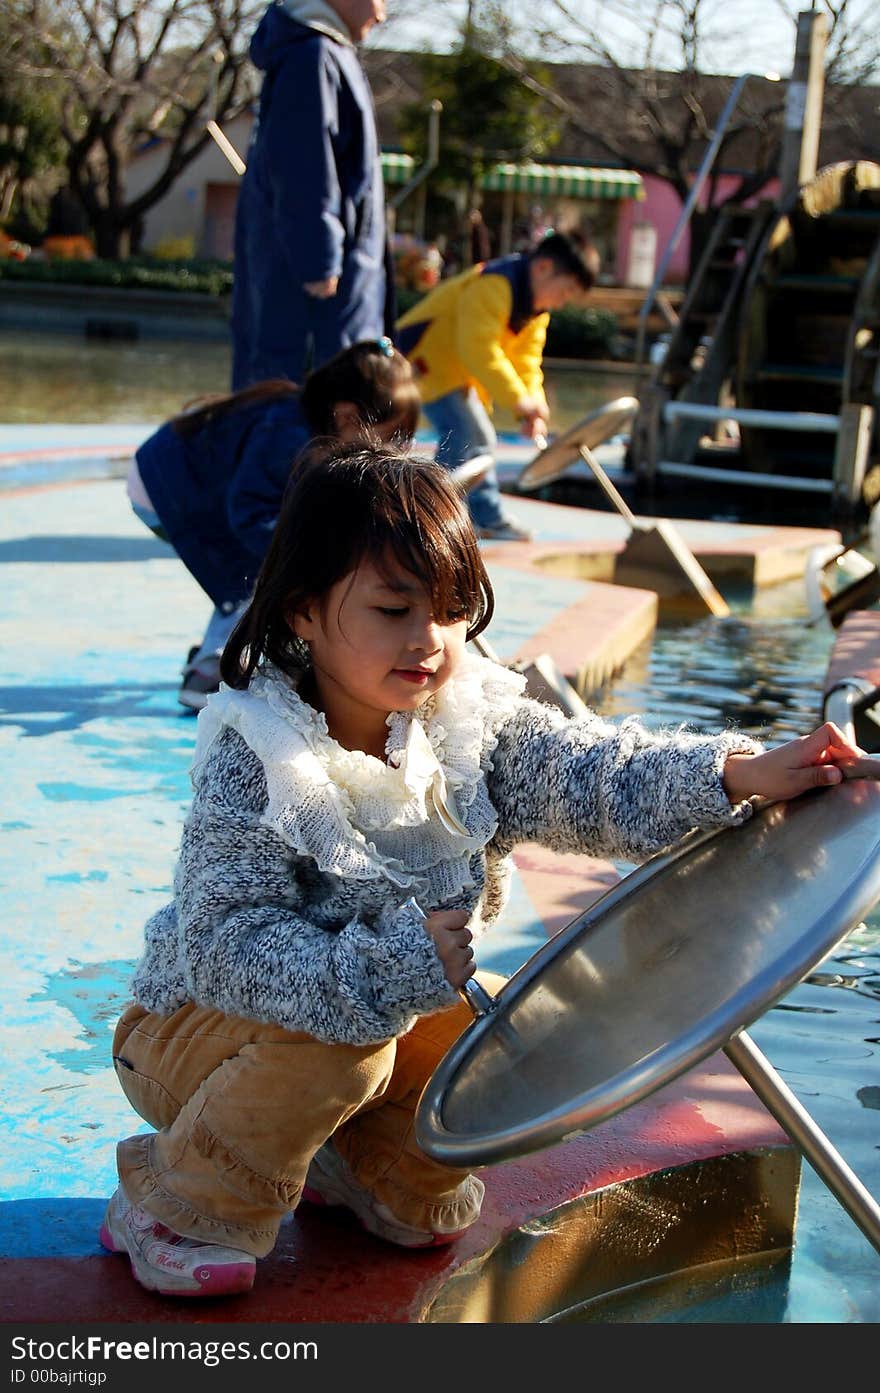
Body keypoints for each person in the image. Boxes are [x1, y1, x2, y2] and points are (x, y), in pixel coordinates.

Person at [99, 441, 866, 1299]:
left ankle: (368, 1170)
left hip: (365, 1019)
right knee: (345, 1052)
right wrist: (394, 966)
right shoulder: (262, 751)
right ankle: (175, 1199)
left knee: (499, 1044)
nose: (429, 640)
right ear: (304, 610)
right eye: (393, 608)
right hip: (189, 1032)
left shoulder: (467, 726)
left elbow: (595, 774)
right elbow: (225, 944)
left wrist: (738, 773)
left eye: (451, 609)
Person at [127, 338, 419, 712]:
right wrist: (301, 554)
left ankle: (225, 650)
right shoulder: (287, 437)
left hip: (193, 483)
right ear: (348, 418)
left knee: (274, 561)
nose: (389, 451)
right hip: (167, 490)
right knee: (253, 575)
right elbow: (249, 513)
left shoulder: (308, 421)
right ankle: (209, 669)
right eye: (387, 438)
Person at [395, 228, 600, 542]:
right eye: (566, 290)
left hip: (454, 374)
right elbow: (478, 349)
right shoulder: (494, 285)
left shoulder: (535, 310)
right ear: (544, 268)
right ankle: (432, 517)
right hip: (422, 364)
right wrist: (519, 401)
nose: (563, 302)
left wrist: (533, 405)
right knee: (467, 435)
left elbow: (527, 360)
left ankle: (463, 516)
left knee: (475, 437)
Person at [231, 0, 389, 390]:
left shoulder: (321, 53)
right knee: (306, 414)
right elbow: (304, 165)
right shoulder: (313, 56)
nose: (381, 13)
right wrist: (318, 260)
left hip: (327, 293)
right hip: (316, 303)